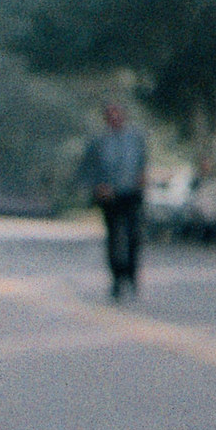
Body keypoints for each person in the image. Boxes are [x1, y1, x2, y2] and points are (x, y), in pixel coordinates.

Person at [76, 101, 148, 300]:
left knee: (134, 235)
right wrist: (98, 186)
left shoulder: (135, 138)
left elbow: (142, 162)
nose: (115, 119)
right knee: (115, 236)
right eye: (111, 116)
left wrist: (142, 178)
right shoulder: (98, 141)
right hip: (110, 194)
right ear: (106, 118)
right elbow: (87, 168)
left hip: (131, 192)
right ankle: (116, 278)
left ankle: (132, 275)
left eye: (118, 115)